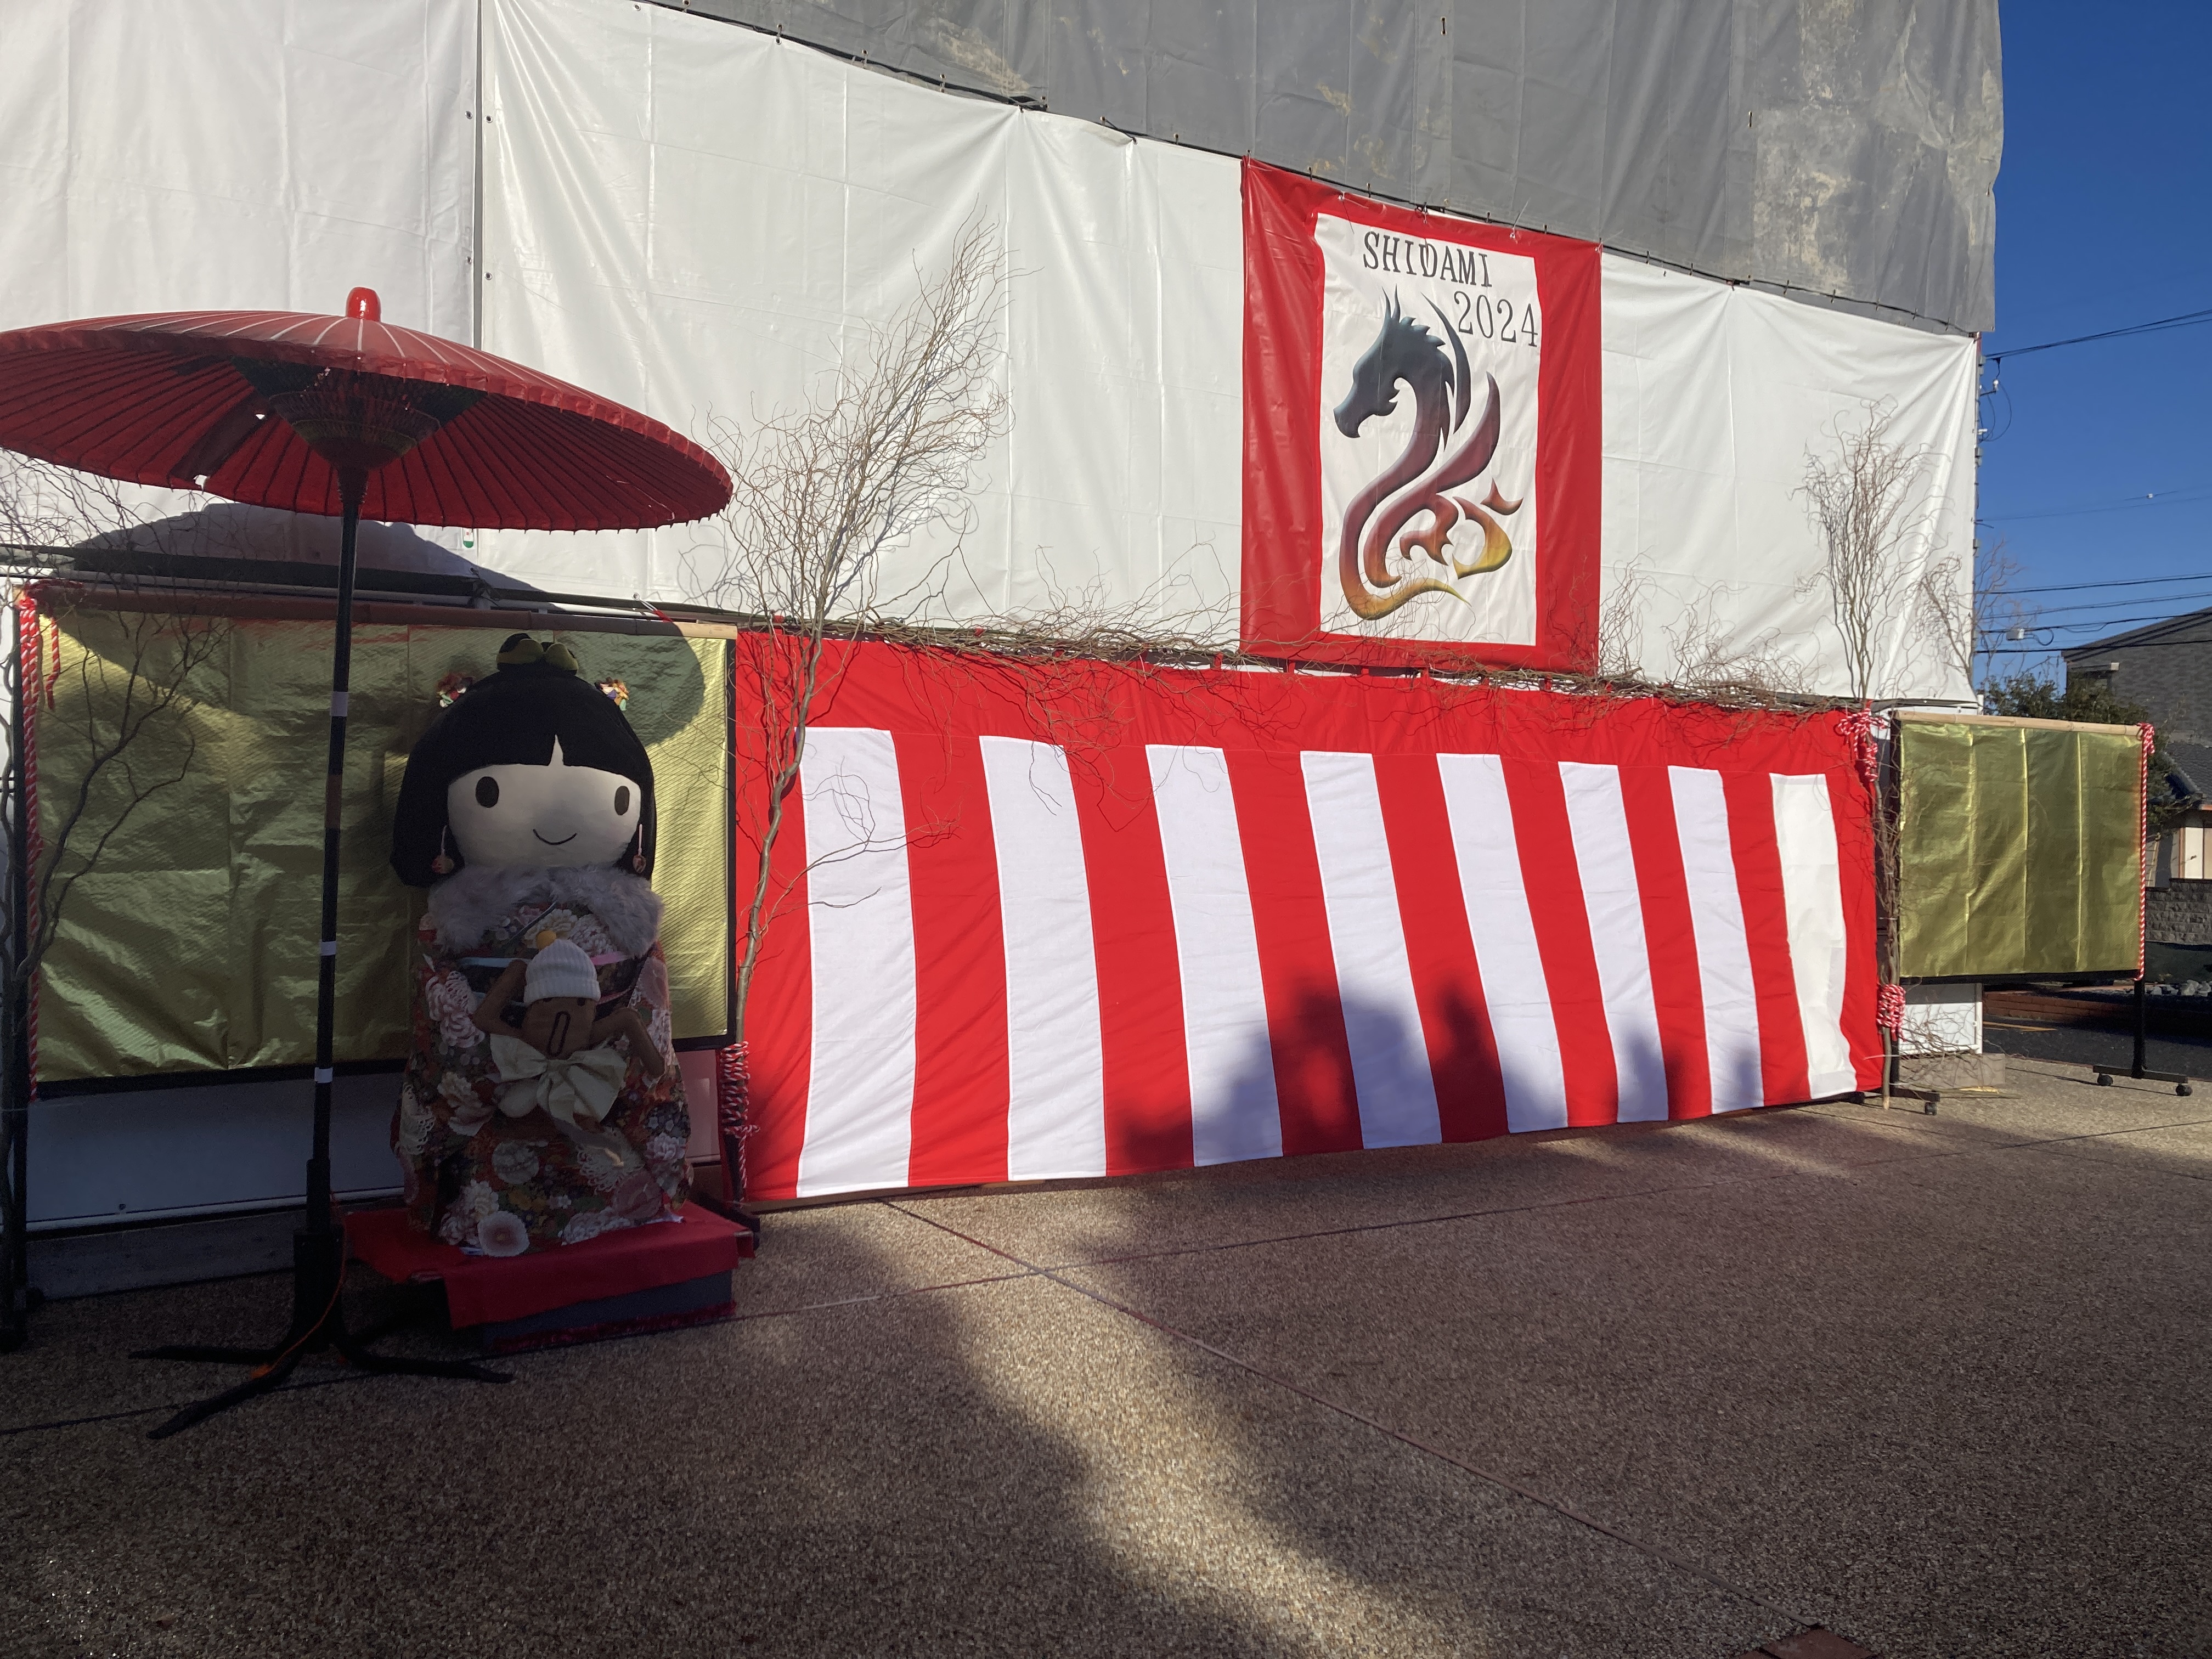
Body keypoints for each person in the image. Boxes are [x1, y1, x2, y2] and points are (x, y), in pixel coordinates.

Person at [388, 634, 690, 1255]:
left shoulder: (628, 917)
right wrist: (503, 1049)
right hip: (502, 1080)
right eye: (490, 793)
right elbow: (443, 1000)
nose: (555, 821)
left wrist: (607, 1051)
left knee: (618, 1138)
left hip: (601, 1080)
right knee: (491, 1156)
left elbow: (648, 1005)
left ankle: (622, 1206)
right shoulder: (458, 916)